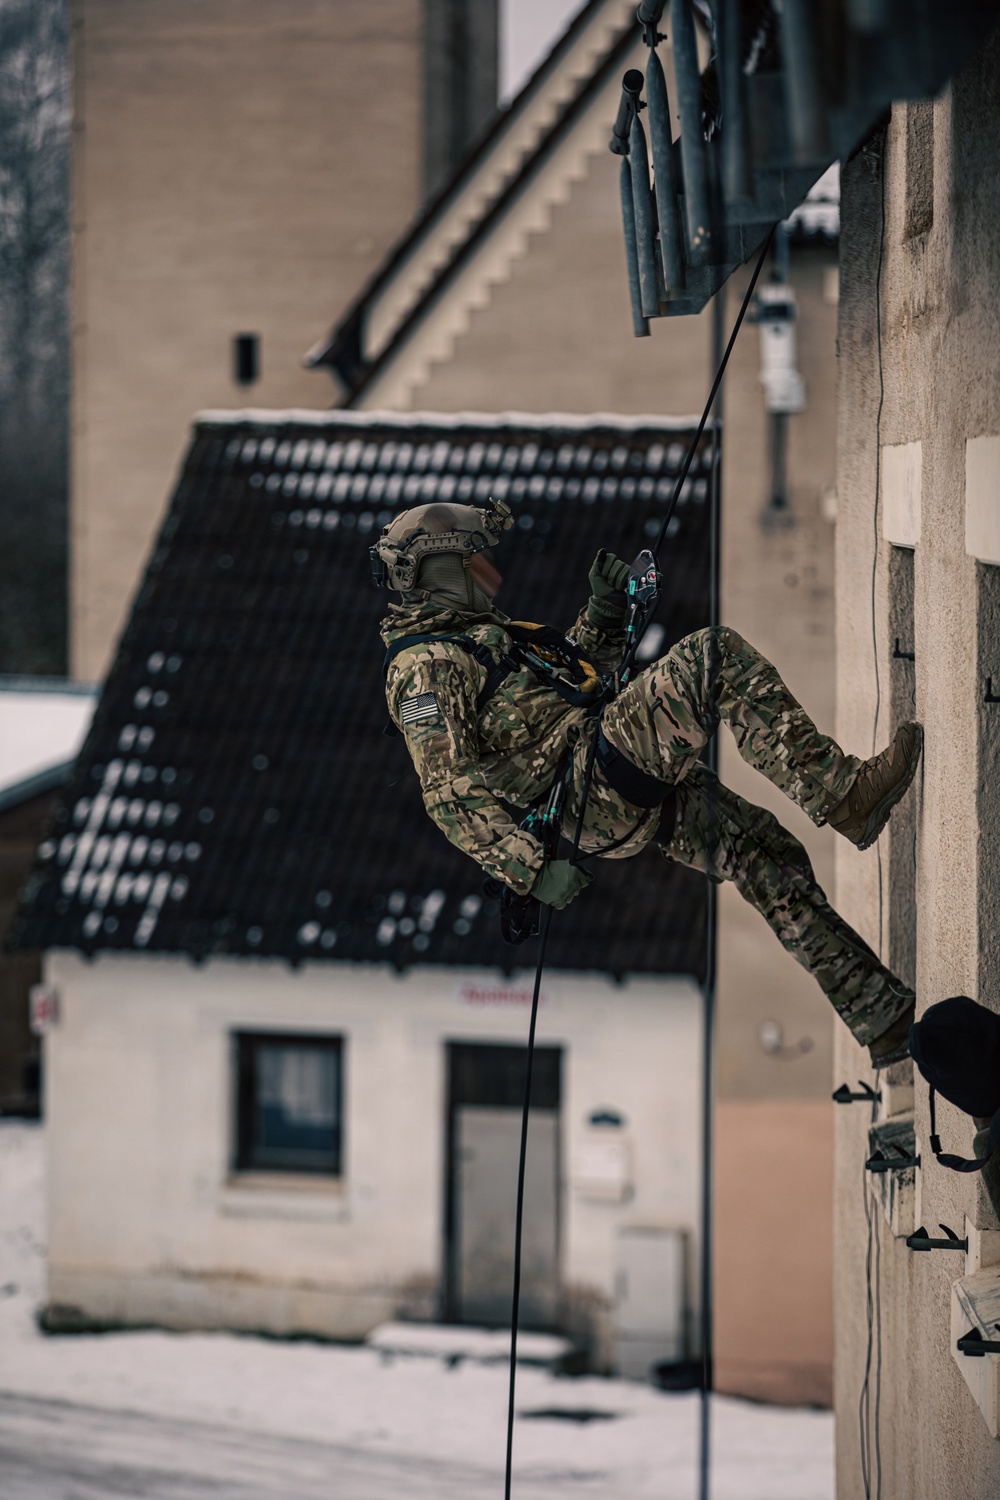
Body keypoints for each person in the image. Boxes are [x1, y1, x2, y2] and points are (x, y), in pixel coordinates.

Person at [373, 499, 922, 1067]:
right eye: (477, 566)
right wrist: (530, 871)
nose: (492, 577)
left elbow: (564, 690)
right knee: (713, 657)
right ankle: (843, 795)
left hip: (604, 777)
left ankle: (882, 1019)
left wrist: (603, 613)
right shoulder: (423, 666)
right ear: (442, 577)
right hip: (591, 783)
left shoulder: (482, 638)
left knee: (765, 854)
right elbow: (447, 791)